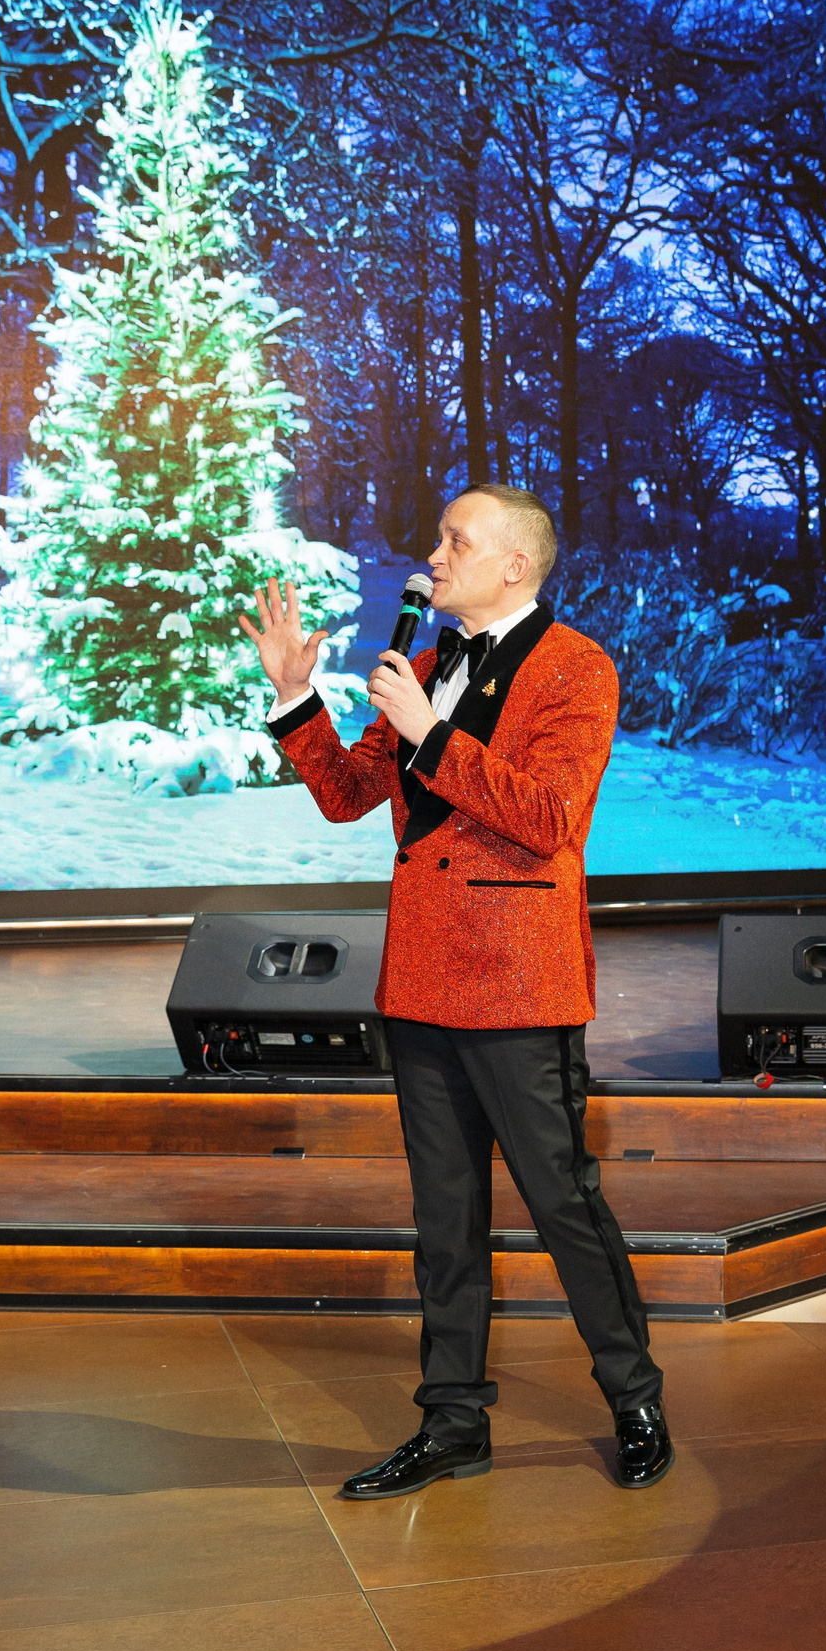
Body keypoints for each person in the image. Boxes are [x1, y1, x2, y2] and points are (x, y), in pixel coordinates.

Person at [238, 483, 672, 1499]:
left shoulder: (575, 668)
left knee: (564, 1204)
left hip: (521, 983)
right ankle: (452, 1419)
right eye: (438, 538)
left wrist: (431, 732)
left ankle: (635, 1397)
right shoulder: (428, 665)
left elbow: (548, 819)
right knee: (444, 1212)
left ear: (514, 566)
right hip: (424, 977)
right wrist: (296, 699)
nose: (432, 556)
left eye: (454, 541)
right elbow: (349, 798)